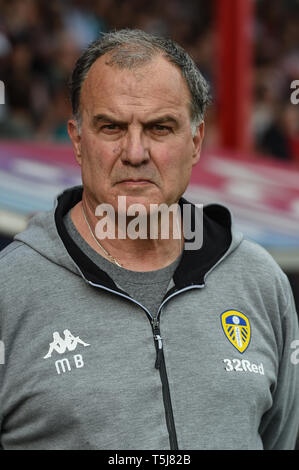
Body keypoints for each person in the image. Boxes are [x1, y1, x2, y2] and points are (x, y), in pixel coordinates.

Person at [0, 29, 298, 450]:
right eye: (111, 127)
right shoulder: (9, 292)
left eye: (160, 128)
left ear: (195, 143)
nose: (136, 152)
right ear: (78, 140)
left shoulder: (259, 281)